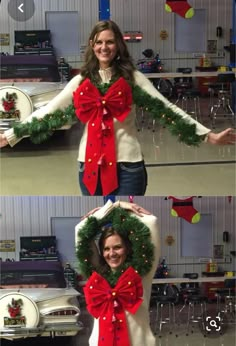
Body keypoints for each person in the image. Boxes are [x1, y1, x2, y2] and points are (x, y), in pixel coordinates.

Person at [0, 20, 235, 196]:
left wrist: (208, 136)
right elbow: (48, 111)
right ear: (92, 45)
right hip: (89, 167)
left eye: (110, 41)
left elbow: (167, 109)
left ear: (118, 45)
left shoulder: (133, 78)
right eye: (99, 42)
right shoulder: (81, 81)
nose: (105, 47)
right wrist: (10, 135)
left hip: (128, 168)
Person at [76, 199, 160, 346]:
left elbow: (151, 222)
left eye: (117, 247)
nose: (112, 253)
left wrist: (121, 205)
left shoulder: (141, 273)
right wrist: (105, 211)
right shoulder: (97, 277)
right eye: (106, 249)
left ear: (127, 248)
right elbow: (80, 230)